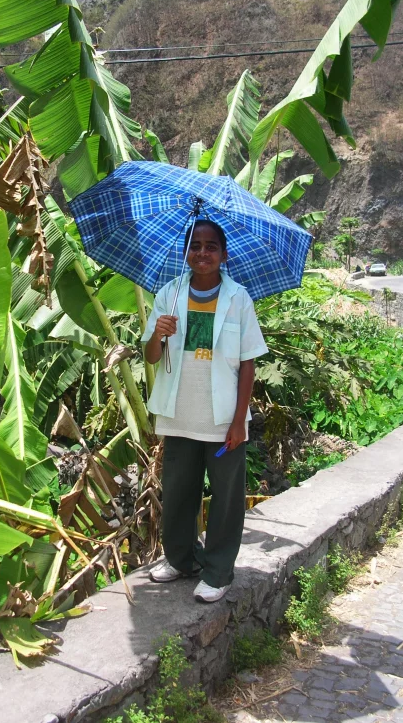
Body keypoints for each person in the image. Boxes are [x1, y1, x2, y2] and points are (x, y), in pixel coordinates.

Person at [142, 219, 268, 603]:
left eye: (211, 246)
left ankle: (217, 572)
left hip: (222, 420)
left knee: (226, 498)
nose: (202, 253)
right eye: (195, 245)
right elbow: (149, 355)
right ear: (186, 252)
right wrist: (157, 333)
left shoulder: (238, 298)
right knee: (179, 492)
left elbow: (248, 363)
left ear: (224, 254)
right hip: (179, 414)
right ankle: (181, 560)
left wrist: (238, 421)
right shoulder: (169, 293)